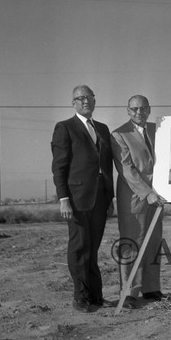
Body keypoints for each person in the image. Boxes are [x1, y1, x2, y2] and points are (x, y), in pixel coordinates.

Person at [51, 85, 114, 313]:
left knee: (93, 248)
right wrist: (63, 198)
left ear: (95, 101)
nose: (86, 101)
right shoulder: (65, 128)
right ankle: (81, 298)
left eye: (89, 97)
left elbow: (107, 166)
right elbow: (59, 167)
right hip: (76, 199)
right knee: (79, 246)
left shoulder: (103, 129)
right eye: (81, 98)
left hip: (100, 197)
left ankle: (96, 296)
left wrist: (110, 197)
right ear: (74, 103)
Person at [111, 95, 166, 310]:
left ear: (149, 109)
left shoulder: (159, 129)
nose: (138, 112)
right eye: (134, 109)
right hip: (134, 197)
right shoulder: (119, 134)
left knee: (153, 240)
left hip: (158, 195)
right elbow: (126, 169)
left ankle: (151, 288)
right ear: (128, 110)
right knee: (132, 242)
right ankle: (130, 292)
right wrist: (147, 192)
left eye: (143, 108)